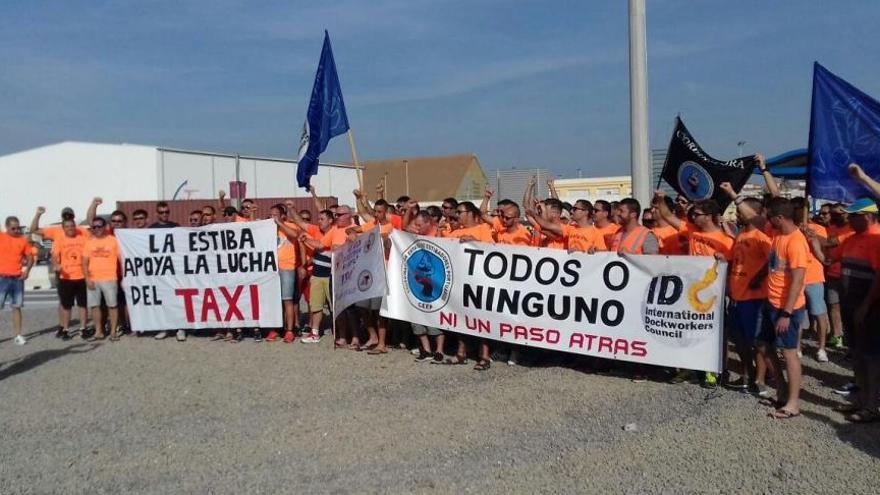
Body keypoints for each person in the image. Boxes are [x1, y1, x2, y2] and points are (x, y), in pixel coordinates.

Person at [757, 197, 809, 419]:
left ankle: (793, 403)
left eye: (770, 217)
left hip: (788, 307)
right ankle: (781, 389)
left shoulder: (796, 242)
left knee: (789, 353)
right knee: (762, 345)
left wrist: (787, 313)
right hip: (771, 302)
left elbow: (798, 280)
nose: (767, 220)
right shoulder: (778, 235)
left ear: (780, 218)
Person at [720, 183, 771, 394]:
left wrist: (757, 278)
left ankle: (760, 379)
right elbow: (735, 261)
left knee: (757, 341)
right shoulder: (740, 236)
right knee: (739, 340)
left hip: (755, 298)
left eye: (740, 211)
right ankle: (747, 373)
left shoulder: (762, 237)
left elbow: (773, 262)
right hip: (737, 296)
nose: (737, 215)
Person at [444, 201, 494, 370]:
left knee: (481, 319)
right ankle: (461, 352)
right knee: (461, 319)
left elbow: (493, 251)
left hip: (479, 282)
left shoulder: (483, 229)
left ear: (471, 213)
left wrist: (475, 241)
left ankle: (484, 355)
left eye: (460, 212)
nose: (457, 215)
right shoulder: (454, 232)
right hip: (459, 282)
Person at [49, 216, 90, 340]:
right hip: (66, 277)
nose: (70, 228)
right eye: (67, 226)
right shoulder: (59, 240)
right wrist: (56, 265)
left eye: (72, 226)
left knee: (83, 304)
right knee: (67, 306)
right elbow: (54, 256)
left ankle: (83, 328)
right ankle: (65, 329)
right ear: (63, 228)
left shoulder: (83, 238)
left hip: (82, 276)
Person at [148, 202, 183, 341]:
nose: (164, 214)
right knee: (163, 301)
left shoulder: (176, 227)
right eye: (161, 212)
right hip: (160, 272)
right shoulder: (151, 229)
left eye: (166, 212)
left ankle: (180, 328)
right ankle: (164, 328)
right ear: (157, 213)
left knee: (177, 300)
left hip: (174, 271)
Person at [82, 217, 120, 341]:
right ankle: (99, 331)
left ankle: (113, 332)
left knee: (112, 306)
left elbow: (121, 259)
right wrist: (87, 278)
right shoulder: (89, 242)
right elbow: (84, 262)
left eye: (99, 226)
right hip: (93, 279)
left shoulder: (113, 241)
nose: (97, 229)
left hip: (110, 278)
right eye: (94, 227)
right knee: (94, 306)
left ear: (105, 227)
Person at [269, 204, 303, 344]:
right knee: (274, 301)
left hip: (287, 268)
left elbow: (295, 235)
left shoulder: (290, 225)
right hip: (272, 268)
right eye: (271, 215)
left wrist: (279, 223)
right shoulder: (269, 229)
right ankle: (276, 329)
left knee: (287, 300)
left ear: (282, 215)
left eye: (275, 214)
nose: (272, 217)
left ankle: (289, 330)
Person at [0, 216, 34, 345]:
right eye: (13, 228)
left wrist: (27, 271)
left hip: (17, 278)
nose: (16, 230)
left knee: (17, 307)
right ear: (7, 227)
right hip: (2, 277)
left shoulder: (23, 240)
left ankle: (18, 335)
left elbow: (30, 257)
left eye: (17, 228)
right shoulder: (1, 237)